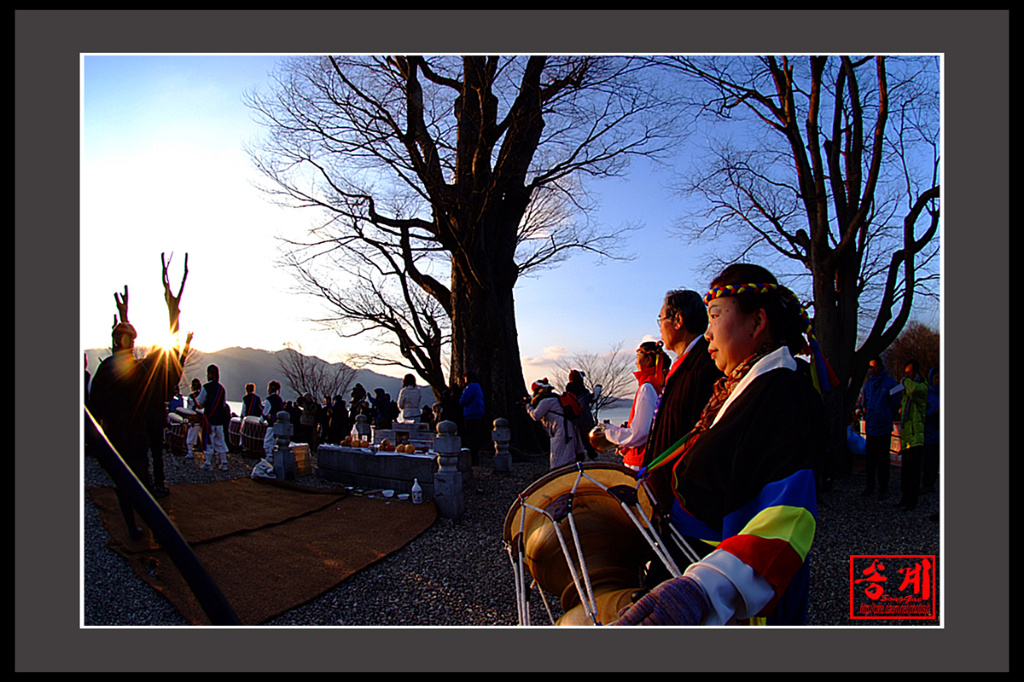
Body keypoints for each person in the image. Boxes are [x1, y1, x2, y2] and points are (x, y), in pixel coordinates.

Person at [615, 264, 827, 626]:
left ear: (757, 323)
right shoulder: (738, 387)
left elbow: (788, 517)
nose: (709, 333)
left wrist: (704, 588)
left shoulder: (784, 392)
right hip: (691, 558)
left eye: (715, 316)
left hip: (730, 587)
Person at [641, 289, 723, 508]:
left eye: (661, 319)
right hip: (666, 487)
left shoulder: (706, 365)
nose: (659, 327)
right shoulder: (684, 364)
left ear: (678, 320)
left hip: (686, 496)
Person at [601, 341, 670, 471]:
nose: (636, 362)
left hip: (641, 460)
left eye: (637, 358)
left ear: (648, 360)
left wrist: (609, 432)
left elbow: (640, 432)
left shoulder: (647, 388)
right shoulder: (657, 385)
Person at [857, 356, 900, 500]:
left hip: (884, 427)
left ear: (881, 366)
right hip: (871, 426)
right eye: (870, 367)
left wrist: (887, 414)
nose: (872, 370)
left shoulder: (890, 383)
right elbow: (864, 403)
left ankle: (883, 487)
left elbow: (895, 403)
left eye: (874, 366)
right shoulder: (868, 385)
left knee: (883, 460)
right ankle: (870, 486)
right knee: (870, 460)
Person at [525, 378, 585, 470]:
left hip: (562, 432)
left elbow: (536, 416)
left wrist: (528, 407)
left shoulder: (546, 401)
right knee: (566, 458)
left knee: (558, 461)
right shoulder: (554, 398)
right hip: (567, 430)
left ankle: (560, 479)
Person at [894, 359, 927, 512]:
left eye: (909, 373)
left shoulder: (921, 387)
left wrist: (905, 382)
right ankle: (904, 498)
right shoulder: (908, 392)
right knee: (906, 472)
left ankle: (912, 500)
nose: (906, 376)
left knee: (913, 472)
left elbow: (913, 390)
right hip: (907, 437)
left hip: (916, 437)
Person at [196, 364, 230, 471]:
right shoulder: (222, 389)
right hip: (219, 420)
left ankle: (208, 463)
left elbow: (200, 402)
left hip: (209, 420)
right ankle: (224, 463)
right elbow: (223, 405)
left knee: (209, 441)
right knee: (220, 441)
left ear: (209, 374)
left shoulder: (206, 387)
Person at [564, 370, 598, 460]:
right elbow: (592, 398)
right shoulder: (581, 391)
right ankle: (591, 454)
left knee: (578, 437)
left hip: (574, 417)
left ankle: (579, 455)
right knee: (586, 436)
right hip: (584, 416)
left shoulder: (569, 390)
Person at [459, 371, 486, 465]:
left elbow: (464, 399)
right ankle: (475, 458)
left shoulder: (471, 387)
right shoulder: (477, 386)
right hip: (478, 414)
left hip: (471, 414)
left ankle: (473, 459)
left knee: (471, 437)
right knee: (475, 437)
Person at [922, 367, 940, 494]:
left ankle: (932, 483)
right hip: (929, 433)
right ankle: (926, 483)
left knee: (936, 462)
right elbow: (922, 414)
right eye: (936, 378)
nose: (938, 381)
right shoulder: (927, 395)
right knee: (929, 461)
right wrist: (934, 412)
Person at [262, 380, 285, 457]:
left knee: (267, 442)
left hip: (271, 424)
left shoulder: (269, 400)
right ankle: (275, 456)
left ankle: (269, 457)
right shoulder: (280, 399)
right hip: (278, 424)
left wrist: (261, 421)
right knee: (275, 441)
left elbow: (265, 413)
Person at [184, 377, 204, 457]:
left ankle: (190, 452)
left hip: (195, 419)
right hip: (203, 418)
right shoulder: (202, 395)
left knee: (191, 435)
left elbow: (189, 409)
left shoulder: (191, 397)